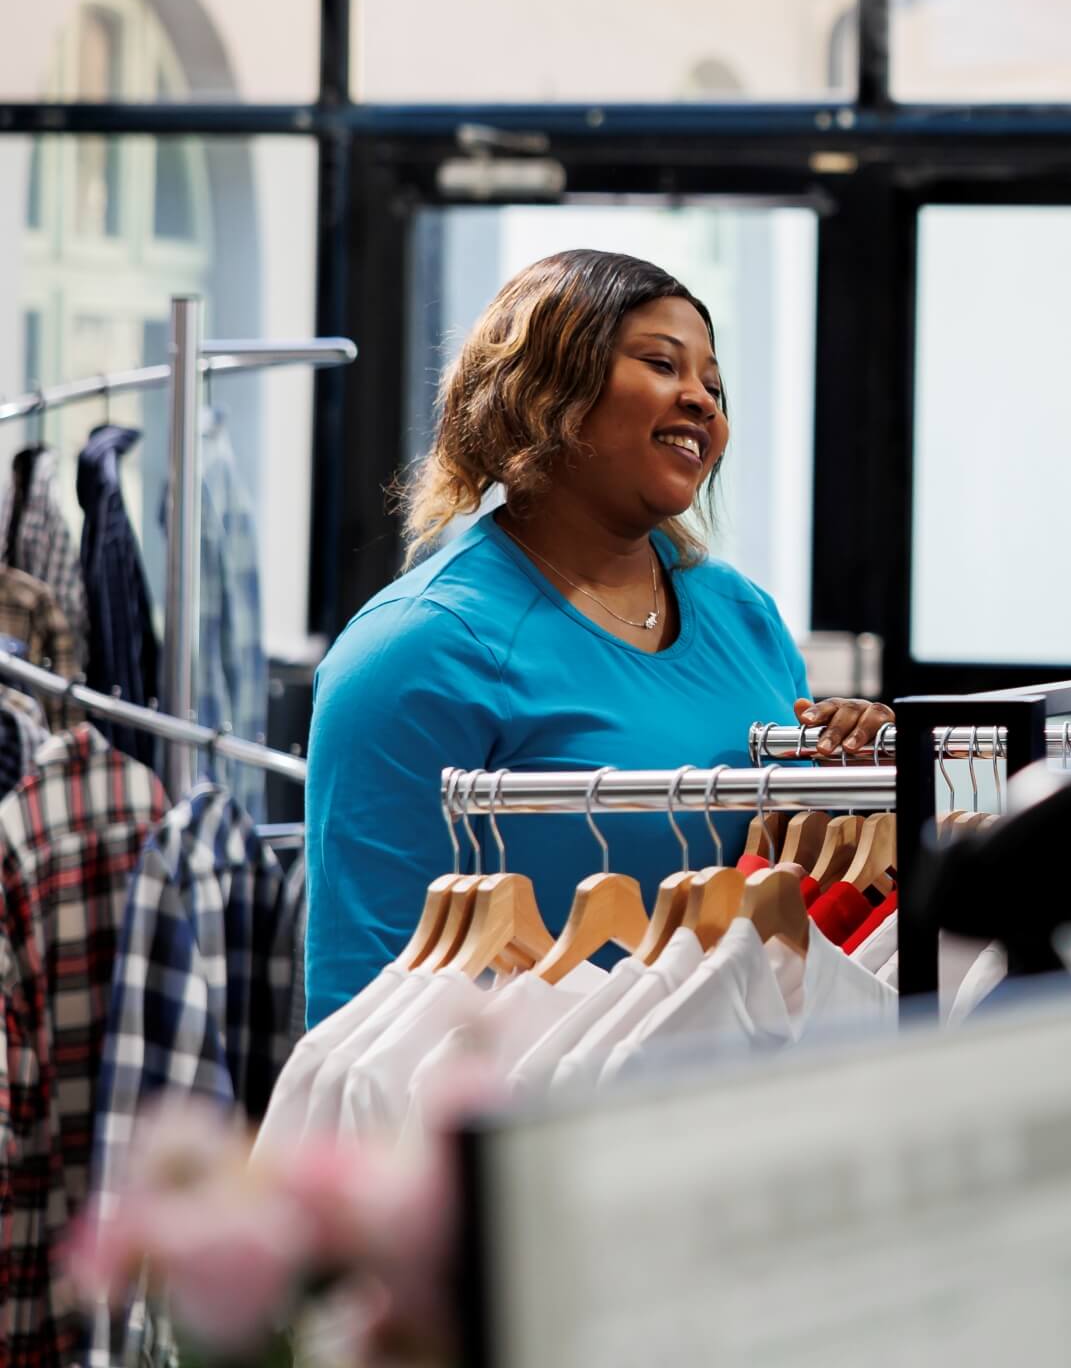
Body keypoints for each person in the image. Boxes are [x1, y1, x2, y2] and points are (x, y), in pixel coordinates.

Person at [303, 250, 888, 1026]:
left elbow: (790, 878)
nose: (703, 402)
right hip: (541, 1114)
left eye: (714, 384)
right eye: (661, 363)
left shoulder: (741, 613)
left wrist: (860, 781)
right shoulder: (414, 651)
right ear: (547, 389)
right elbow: (359, 1000)